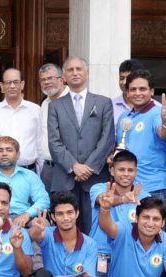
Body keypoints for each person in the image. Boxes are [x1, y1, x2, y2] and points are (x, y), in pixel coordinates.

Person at [48, 56, 115, 234]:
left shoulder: (103, 103)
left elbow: (107, 138)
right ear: (64, 77)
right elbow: (54, 142)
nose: (75, 73)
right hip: (65, 177)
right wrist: (74, 166)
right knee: (64, 230)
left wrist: (89, 167)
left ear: (87, 73)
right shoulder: (55, 106)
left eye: (79, 69)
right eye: (70, 70)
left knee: (95, 229)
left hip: (95, 178)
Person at [88, 150, 149, 277]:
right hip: (101, 255)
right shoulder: (100, 188)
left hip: (128, 258)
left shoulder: (144, 197)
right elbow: (103, 201)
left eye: (130, 170)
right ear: (112, 170)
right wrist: (123, 199)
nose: (126, 174)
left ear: (136, 172)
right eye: (121, 169)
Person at [116, 70, 166, 203]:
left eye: (142, 89)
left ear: (151, 91)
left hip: (153, 187)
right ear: (127, 93)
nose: (137, 93)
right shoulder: (124, 117)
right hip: (127, 188)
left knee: (152, 224)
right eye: (133, 89)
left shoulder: (157, 114)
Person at [0, 136, 49, 228]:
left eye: (9, 150)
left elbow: (44, 200)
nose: (4, 153)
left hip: (22, 217)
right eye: (0, 150)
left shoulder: (29, 175)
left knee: (43, 224)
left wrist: (27, 214)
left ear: (18, 154)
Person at [0, 68, 42, 171]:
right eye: (8, 82)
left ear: (22, 84)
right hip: (2, 171)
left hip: (29, 171)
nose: (12, 86)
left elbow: (40, 143)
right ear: (2, 86)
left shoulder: (35, 110)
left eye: (15, 82)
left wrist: (42, 171)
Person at [37, 63, 69, 190]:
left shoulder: (73, 99)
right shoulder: (45, 103)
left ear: (61, 79)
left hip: (67, 168)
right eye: (43, 79)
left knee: (66, 207)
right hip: (48, 168)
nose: (47, 82)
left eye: (50, 78)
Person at [112, 59, 146, 124]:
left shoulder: (156, 108)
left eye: (128, 78)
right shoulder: (110, 106)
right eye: (121, 78)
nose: (124, 82)